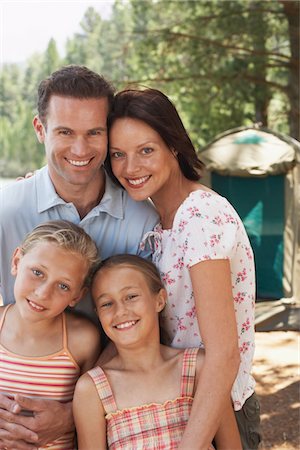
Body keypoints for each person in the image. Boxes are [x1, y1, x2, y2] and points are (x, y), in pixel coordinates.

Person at [0, 66, 158, 449]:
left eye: (94, 133)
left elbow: (151, 331)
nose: (80, 150)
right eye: (65, 132)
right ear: (40, 129)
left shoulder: (144, 220)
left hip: (112, 409)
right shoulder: (5, 210)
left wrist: (78, 411)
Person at [104, 88, 261, 449]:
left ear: (173, 146)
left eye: (146, 150)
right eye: (118, 155)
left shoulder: (199, 215)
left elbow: (223, 354)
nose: (131, 168)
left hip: (219, 411)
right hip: (177, 409)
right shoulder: (159, 223)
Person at [73, 254, 241, 450]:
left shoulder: (198, 368)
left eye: (131, 296)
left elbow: (231, 446)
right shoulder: (93, 389)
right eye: (107, 304)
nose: (120, 311)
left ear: (160, 300)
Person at [0, 220, 101, 449]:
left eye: (63, 286)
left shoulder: (82, 340)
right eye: (37, 272)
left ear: (77, 296)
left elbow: (94, 412)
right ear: (16, 262)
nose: (43, 293)